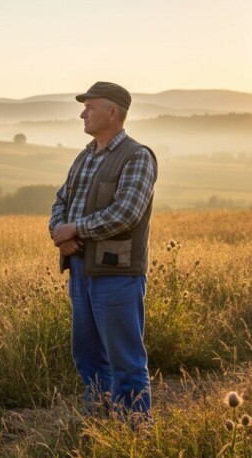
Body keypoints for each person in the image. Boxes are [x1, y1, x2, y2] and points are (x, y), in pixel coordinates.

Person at [48, 81, 157, 419]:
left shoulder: (137, 156)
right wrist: (58, 232)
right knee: (89, 356)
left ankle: (136, 434)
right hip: (81, 269)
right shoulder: (85, 156)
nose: (83, 113)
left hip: (117, 273)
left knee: (125, 361)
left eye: (90, 106)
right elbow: (61, 200)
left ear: (113, 112)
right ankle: (99, 427)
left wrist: (76, 229)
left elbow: (127, 213)